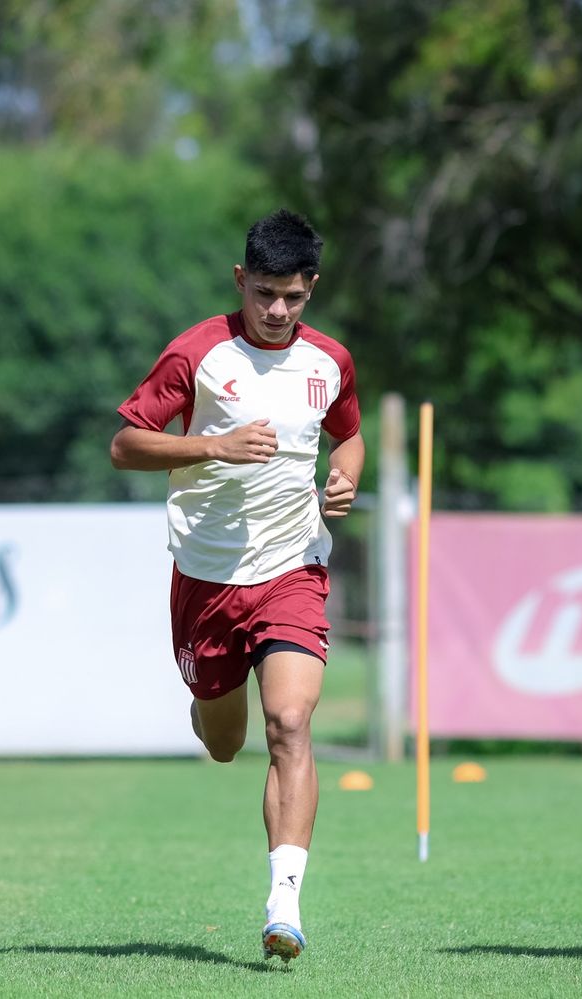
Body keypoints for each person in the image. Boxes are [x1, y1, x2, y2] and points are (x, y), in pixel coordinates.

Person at [110, 209, 363, 964]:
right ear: (239, 281)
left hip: (293, 567)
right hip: (207, 577)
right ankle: (210, 700)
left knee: (289, 721)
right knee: (224, 741)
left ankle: (284, 900)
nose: (278, 311)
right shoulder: (198, 353)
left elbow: (346, 434)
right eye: (264, 295)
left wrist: (345, 475)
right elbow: (125, 443)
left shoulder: (332, 362)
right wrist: (211, 444)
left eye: (292, 296)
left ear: (310, 288)